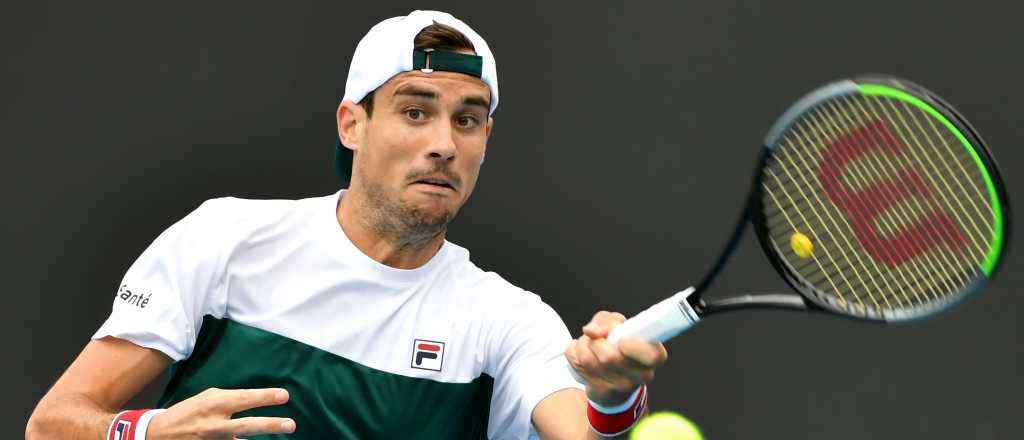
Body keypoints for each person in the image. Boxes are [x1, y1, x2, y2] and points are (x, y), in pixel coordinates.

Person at [26, 10, 667, 439]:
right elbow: (53, 423)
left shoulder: (509, 322)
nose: (444, 144)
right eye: (415, 112)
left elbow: (579, 432)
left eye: (467, 120)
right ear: (351, 125)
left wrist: (613, 397)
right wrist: (147, 432)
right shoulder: (223, 239)